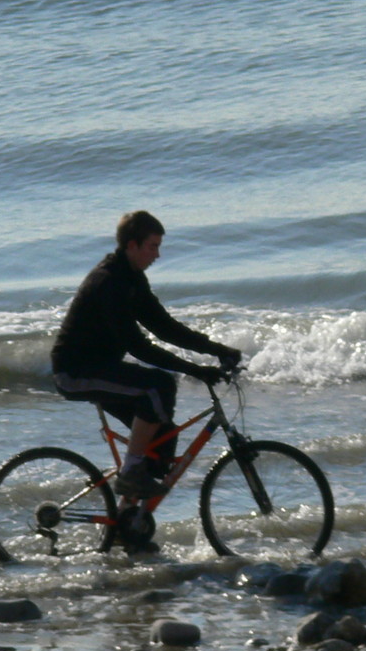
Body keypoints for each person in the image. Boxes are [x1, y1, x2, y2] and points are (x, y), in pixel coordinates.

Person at [51, 211, 241, 504]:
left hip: (103, 369)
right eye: (152, 246)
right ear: (132, 245)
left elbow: (164, 326)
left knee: (164, 437)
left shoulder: (132, 279)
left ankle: (131, 524)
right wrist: (194, 370)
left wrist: (217, 350)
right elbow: (139, 347)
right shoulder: (109, 282)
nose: (158, 254)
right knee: (159, 386)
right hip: (75, 372)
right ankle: (130, 472)